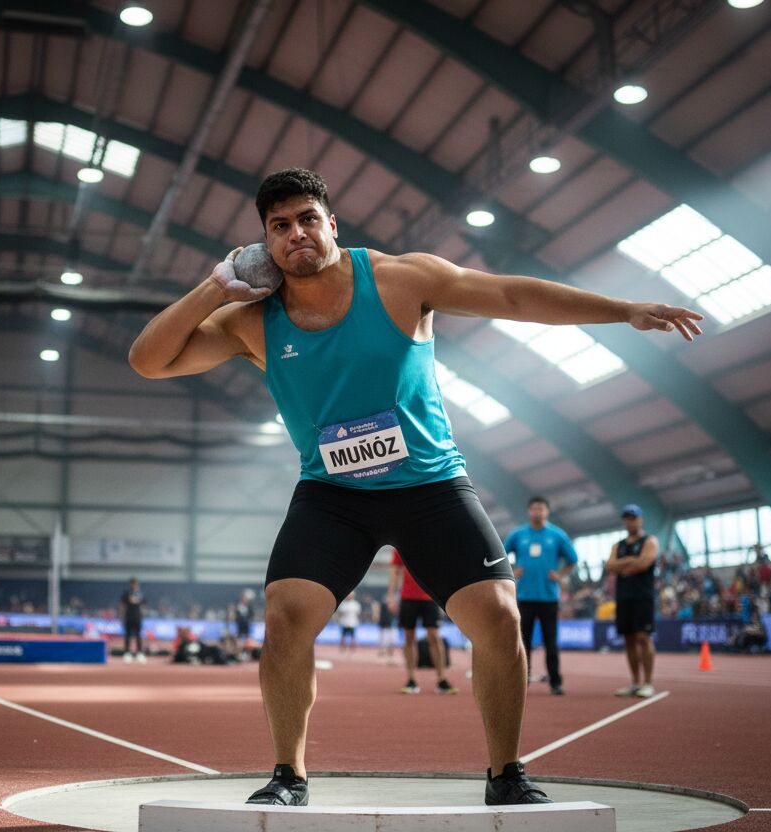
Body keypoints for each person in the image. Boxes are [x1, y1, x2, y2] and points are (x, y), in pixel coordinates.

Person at [128, 167, 702, 806]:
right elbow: (148, 361)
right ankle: (288, 776)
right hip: (333, 496)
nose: (296, 235)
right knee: (285, 619)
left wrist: (624, 310)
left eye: (307, 219)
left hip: (430, 485)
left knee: (499, 617)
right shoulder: (252, 321)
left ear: (331, 224)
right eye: (279, 227)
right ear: (264, 243)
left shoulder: (401, 279)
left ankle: (506, 774)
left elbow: (512, 296)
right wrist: (216, 286)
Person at [503, 496, 577, 695]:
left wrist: (560, 575)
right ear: (529, 511)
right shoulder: (518, 535)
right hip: (524, 597)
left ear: (547, 511)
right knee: (523, 642)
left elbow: (573, 559)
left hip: (549, 598)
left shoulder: (557, 535)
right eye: (534, 509)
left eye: (541, 509)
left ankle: (555, 682)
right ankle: (522, 681)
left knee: (550, 642)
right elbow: (500, 554)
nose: (538, 512)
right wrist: (512, 571)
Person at [606, 505, 659, 699]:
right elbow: (609, 566)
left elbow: (644, 563)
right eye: (627, 518)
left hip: (643, 596)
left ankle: (648, 683)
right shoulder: (618, 545)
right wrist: (630, 560)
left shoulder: (650, 541)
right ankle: (635, 682)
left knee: (643, 637)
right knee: (628, 639)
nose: (630, 521)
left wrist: (623, 565)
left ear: (640, 520)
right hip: (623, 597)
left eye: (633, 518)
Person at [388, 547, 456, 695]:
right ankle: (411, 679)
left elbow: (443, 569)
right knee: (409, 637)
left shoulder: (431, 543)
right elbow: (395, 571)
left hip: (430, 597)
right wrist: (391, 596)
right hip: (407, 597)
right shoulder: (400, 545)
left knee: (434, 636)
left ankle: (441, 679)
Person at [120, 577, 146, 663]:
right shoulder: (126, 593)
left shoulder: (141, 593)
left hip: (137, 617)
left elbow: (144, 606)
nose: (134, 585)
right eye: (133, 584)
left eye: (136, 584)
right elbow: (122, 605)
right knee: (128, 635)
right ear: (130, 584)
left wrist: (142, 615)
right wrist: (122, 616)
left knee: (138, 635)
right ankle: (127, 652)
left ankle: (139, 653)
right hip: (128, 617)